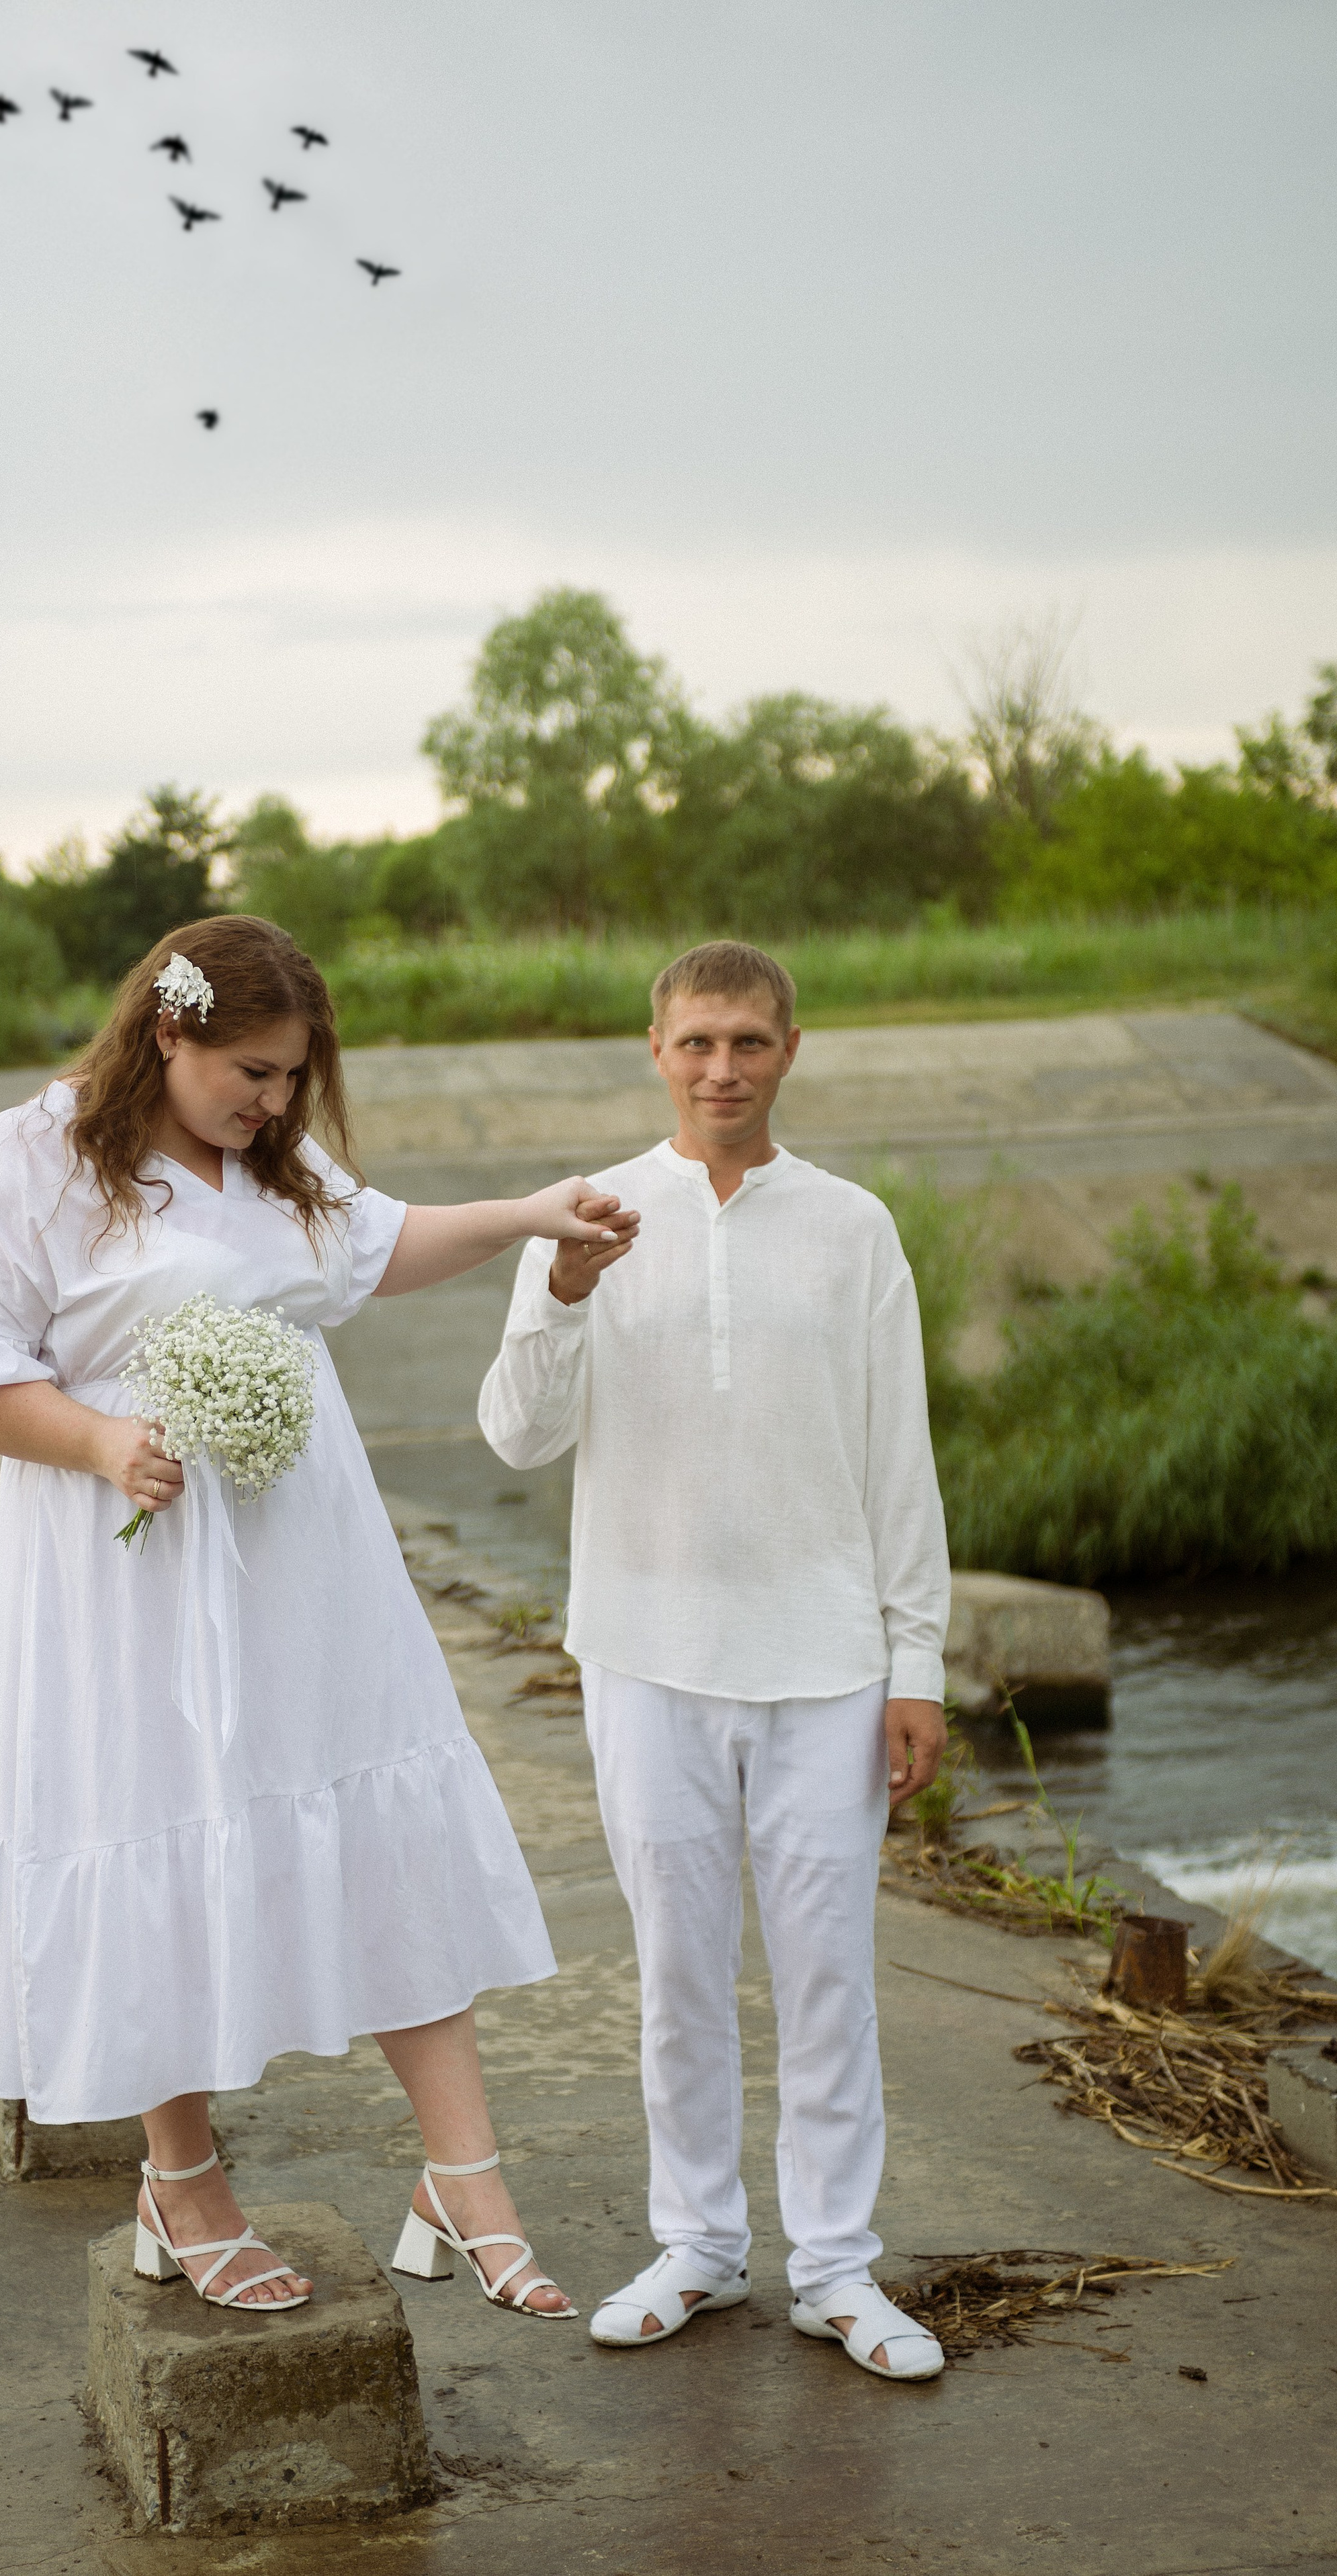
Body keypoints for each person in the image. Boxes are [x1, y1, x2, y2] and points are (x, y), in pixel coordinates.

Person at [0, 914, 640, 2321]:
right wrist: (104, 1443)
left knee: (378, 1819)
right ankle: (181, 2183)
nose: (276, 1101)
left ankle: (466, 2175)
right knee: (161, 1832)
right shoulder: (36, 1157)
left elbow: (372, 1249)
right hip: (133, 1575)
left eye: (295, 1076)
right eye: (251, 1070)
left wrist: (526, 1216)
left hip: (309, 1560)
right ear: (164, 1032)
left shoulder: (275, 1166)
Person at [477, 939, 950, 2379]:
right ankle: (694, 2244)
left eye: (747, 1041)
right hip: (645, 1653)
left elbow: (896, 1458)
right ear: (654, 1047)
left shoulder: (853, 1227)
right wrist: (561, 1290)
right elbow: (513, 1434)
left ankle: (835, 2270)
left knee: (827, 1978)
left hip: (824, 1664)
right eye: (695, 1043)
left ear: (789, 1049)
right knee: (676, 1968)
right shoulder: (588, 1215)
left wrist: (914, 1656)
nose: (721, 1068)